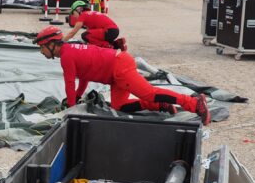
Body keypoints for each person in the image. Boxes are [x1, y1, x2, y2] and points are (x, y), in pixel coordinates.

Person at [34, 26, 210, 125]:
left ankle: (195, 103)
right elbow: (84, 77)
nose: (41, 52)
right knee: (120, 105)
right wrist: (77, 98)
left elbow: (69, 84)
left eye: (42, 47)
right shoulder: (69, 51)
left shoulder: (66, 56)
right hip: (114, 72)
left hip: (119, 67)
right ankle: (161, 105)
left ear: (51, 44)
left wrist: (70, 109)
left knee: (148, 92)